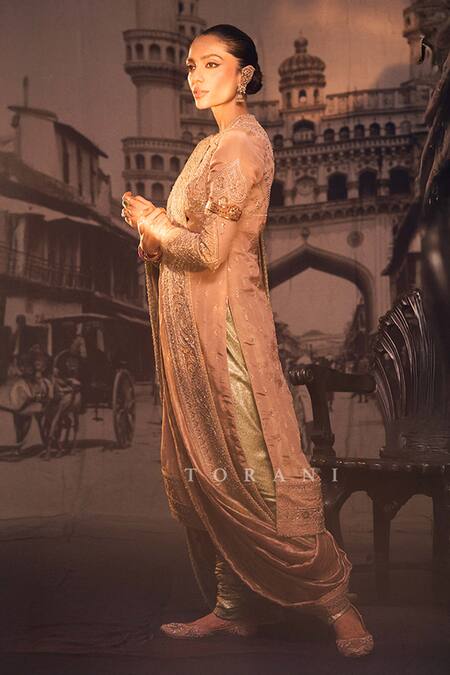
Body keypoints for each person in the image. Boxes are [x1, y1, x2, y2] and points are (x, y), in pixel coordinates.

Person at [121, 24, 373, 658]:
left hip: (226, 332)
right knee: (215, 473)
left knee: (255, 467)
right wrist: (154, 237)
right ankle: (234, 607)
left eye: (211, 64)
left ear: (246, 75)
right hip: (193, 330)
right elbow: (187, 242)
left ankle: (336, 603)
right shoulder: (208, 147)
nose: (195, 76)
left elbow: (209, 251)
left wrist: (154, 221)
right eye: (190, 66)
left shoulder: (239, 146)